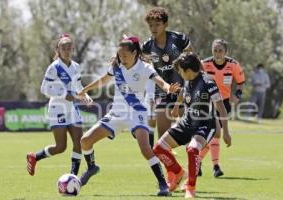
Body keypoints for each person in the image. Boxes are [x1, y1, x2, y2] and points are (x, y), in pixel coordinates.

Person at [77, 36, 180, 196]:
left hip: (137, 112)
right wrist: (86, 89)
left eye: (124, 55)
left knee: (145, 148)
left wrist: (168, 88)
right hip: (116, 113)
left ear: (135, 53)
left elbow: (160, 82)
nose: (121, 58)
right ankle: (91, 167)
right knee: (85, 141)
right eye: (119, 55)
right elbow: (104, 80)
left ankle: (162, 185)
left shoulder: (145, 68)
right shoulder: (116, 66)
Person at [153, 52, 231, 198]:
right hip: (187, 122)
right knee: (158, 148)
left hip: (205, 125)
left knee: (192, 149)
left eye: (180, 71)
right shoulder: (188, 78)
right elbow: (183, 90)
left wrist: (226, 131)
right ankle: (178, 173)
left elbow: (221, 107)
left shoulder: (208, 82)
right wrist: (177, 105)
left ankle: (191, 187)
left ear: (188, 71)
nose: (179, 74)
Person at [26, 33, 93, 176]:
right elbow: (44, 88)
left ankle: (73, 176)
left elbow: (78, 86)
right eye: (64, 48)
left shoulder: (76, 67)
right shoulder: (54, 68)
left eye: (69, 48)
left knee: (79, 142)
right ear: (58, 50)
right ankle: (35, 156)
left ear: (73, 49)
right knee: (61, 147)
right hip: (57, 109)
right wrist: (63, 94)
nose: (67, 51)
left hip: (72, 108)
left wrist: (85, 96)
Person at [142, 7, 193, 143]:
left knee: (192, 136)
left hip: (183, 90)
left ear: (165, 24)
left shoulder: (179, 39)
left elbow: (194, 62)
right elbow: (140, 67)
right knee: (163, 142)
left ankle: (195, 163)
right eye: (151, 25)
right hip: (162, 92)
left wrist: (201, 83)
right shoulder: (146, 46)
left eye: (157, 24)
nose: (153, 28)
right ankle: (167, 163)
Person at [199, 39, 245, 177]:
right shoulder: (204, 64)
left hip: (223, 103)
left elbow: (241, 82)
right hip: (206, 103)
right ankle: (215, 166)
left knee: (213, 133)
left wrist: (237, 96)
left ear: (226, 52)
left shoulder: (234, 65)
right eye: (215, 50)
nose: (217, 53)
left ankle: (199, 161)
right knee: (214, 133)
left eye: (220, 51)